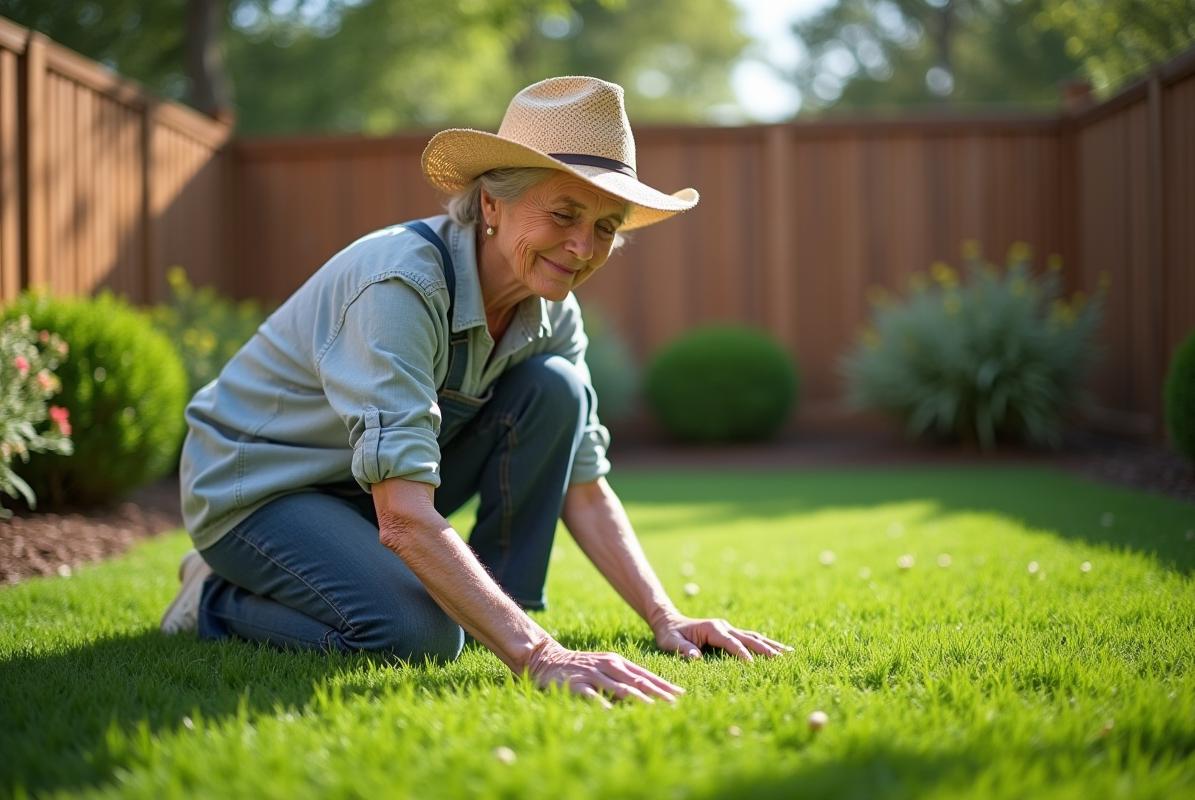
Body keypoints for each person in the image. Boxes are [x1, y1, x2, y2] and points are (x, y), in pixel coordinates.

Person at [162, 76, 790, 705]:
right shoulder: (400, 286)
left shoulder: (551, 311)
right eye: (564, 214)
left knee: (557, 389)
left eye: (605, 226)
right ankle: (211, 596)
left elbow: (585, 487)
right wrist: (542, 655)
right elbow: (404, 517)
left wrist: (666, 616)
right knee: (415, 634)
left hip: (360, 487)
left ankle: (501, 613)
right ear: (492, 203)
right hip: (259, 490)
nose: (582, 247)